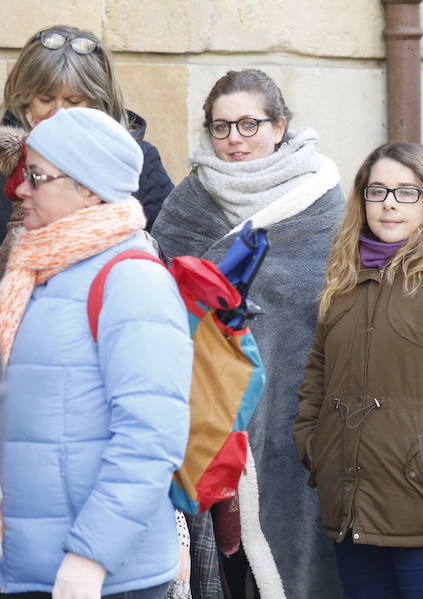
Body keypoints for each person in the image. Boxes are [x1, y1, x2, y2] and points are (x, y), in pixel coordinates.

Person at [151, 69, 343, 599]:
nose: (234, 139)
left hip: (297, 407)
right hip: (203, 410)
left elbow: (334, 313)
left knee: (293, 545)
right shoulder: (188, 201)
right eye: (220, 127)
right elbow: (160, 295)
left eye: (248, 124)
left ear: (280, 126)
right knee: (220, 571)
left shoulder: (324, 202)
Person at [293, 141, 423, 599]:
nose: (389, 203)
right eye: (378, 191)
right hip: (352, 507)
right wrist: (314, 445)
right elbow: (317, 373)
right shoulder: (345, 278)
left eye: (407, 192)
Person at [0, 107, 192, 598]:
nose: (19, 189)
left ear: (88, 188)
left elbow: (151, 437)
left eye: (36, 176)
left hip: (97, 578)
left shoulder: (131, 278)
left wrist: (91, 557)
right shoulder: (36, 271)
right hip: (26, 564)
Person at [0, 25, 173, 272]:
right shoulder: (4, 159)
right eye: (45, 99)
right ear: (25, 97)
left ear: (98, 102)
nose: (58, 112)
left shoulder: (141, 160)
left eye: (73, 101)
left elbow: (165, 260)